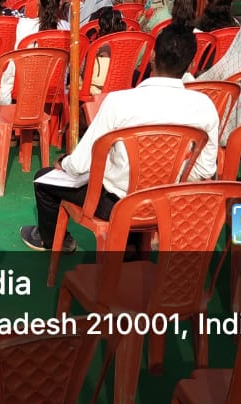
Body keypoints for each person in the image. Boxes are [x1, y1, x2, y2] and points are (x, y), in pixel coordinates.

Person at [19, 25, 220, 252]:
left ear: (152, 56)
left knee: (43, 178)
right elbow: (205, 169)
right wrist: (167, 178)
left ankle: (53, 240)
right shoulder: (205, 106)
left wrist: (64, 162)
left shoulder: (118, 102)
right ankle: (134, 244)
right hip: (169, 203)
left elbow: (80, 164)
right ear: (191, 65)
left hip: (116, 204)